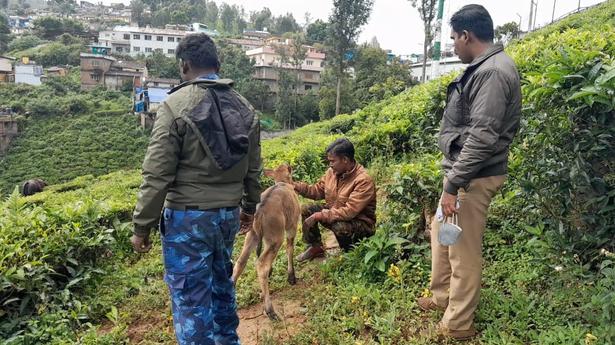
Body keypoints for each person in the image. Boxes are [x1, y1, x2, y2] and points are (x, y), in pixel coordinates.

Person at [130, 33, 261, 345]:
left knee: (191, 299)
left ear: (184, 65)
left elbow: (156, 174)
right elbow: (253, 170)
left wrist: (141, 226)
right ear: (219, 64)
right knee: (221, 285)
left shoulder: (174, 106)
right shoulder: (245, 109)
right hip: (227, 216)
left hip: (187, 220)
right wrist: (248, 208)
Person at [416, 4, 522, 340]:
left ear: (466, 35)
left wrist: (453, 185)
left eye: (453, 39)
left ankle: (458, 324)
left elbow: (482, 137)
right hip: (461, 175)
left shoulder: (492, 72)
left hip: (471, 178)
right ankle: (442, 297)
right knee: (441, 234)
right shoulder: (485, 67)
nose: (452, 45)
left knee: (462, 251)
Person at [293, 138, 377, 261]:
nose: (330, 165)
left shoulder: (363, 180)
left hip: (360, 224)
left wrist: (320, 215)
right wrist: (296, 186)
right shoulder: (331, 173)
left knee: (340, 227)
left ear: (345, 160)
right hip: (335, 213)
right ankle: (315, 247)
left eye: (332, 161)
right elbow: (317, 190)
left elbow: (349, 211)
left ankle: (350, 253)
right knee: (307, 209)